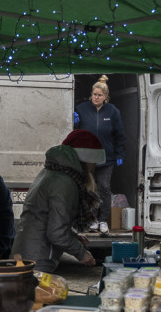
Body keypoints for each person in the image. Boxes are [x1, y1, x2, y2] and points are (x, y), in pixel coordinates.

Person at [11, 129, 103, 273]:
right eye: (93, 162)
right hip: (36, 259)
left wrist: (73, 235)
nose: (94, 168)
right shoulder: (64, 183)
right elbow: (56, 233)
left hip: (27, 253)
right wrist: (82, 253)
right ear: (86, 160)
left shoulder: (51, 173)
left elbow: (50, 220)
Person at [73, 75, 126, 234]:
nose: (96, 97)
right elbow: (75, 132)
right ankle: (92, 220)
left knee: (104, 187)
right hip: (87, 156)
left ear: (105, 96)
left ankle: (103, 220)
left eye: (99, 95)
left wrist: (120, 154)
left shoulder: (113, 111)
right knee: (90, 188)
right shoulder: (81, 109)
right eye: (94, 94)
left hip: (106, 156)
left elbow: (120, 135)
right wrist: (74, 122)